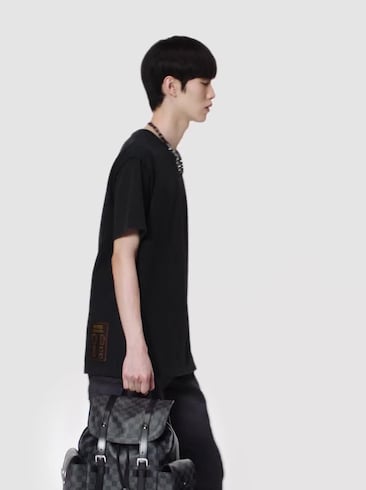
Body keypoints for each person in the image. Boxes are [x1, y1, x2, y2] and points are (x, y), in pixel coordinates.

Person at [82, 35, 224, 490]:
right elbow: (121, 256)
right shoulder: (138, 157)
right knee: (123, 477)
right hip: (130, 359)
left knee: (202, 470)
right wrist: (135, 349)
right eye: (204, 83)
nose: (212, 94)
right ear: (171, 86)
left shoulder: (166, 157)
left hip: (169, 358)